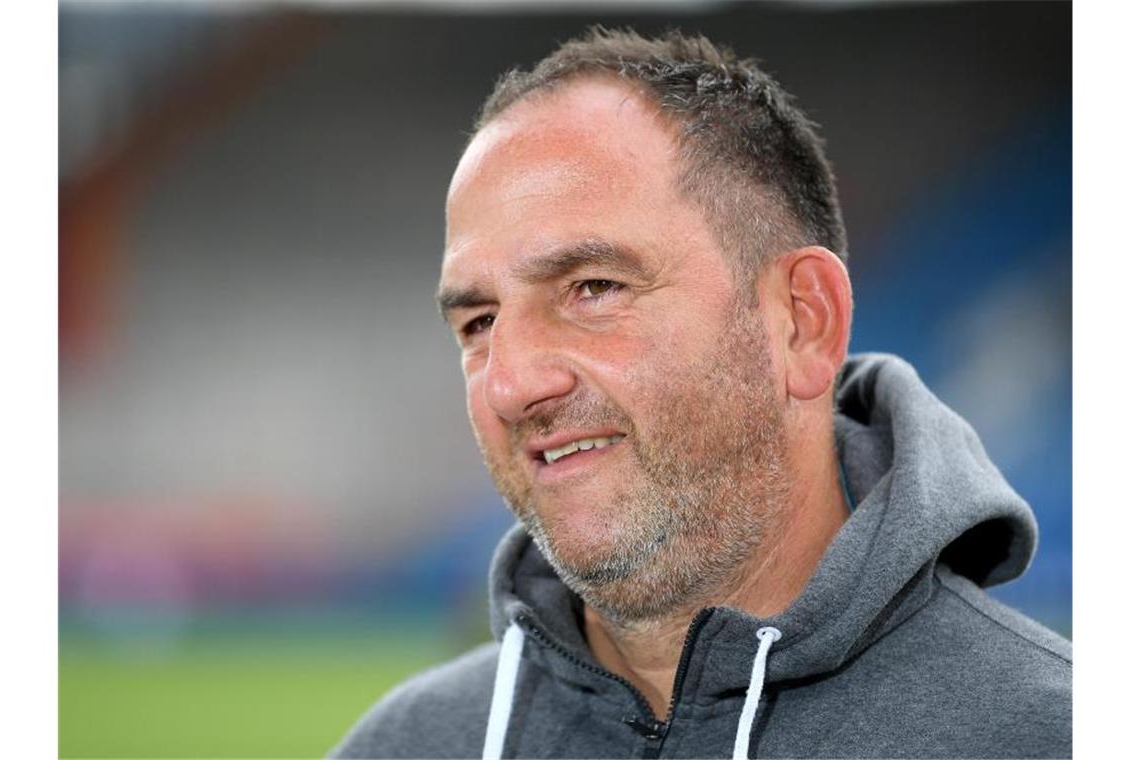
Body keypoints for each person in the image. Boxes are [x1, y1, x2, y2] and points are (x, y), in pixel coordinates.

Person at [331, 28, 1071, 759]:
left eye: (594, 288)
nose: (512, 382)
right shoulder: (405, 745)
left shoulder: (1052, 736)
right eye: (479, 321)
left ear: (803, 323)